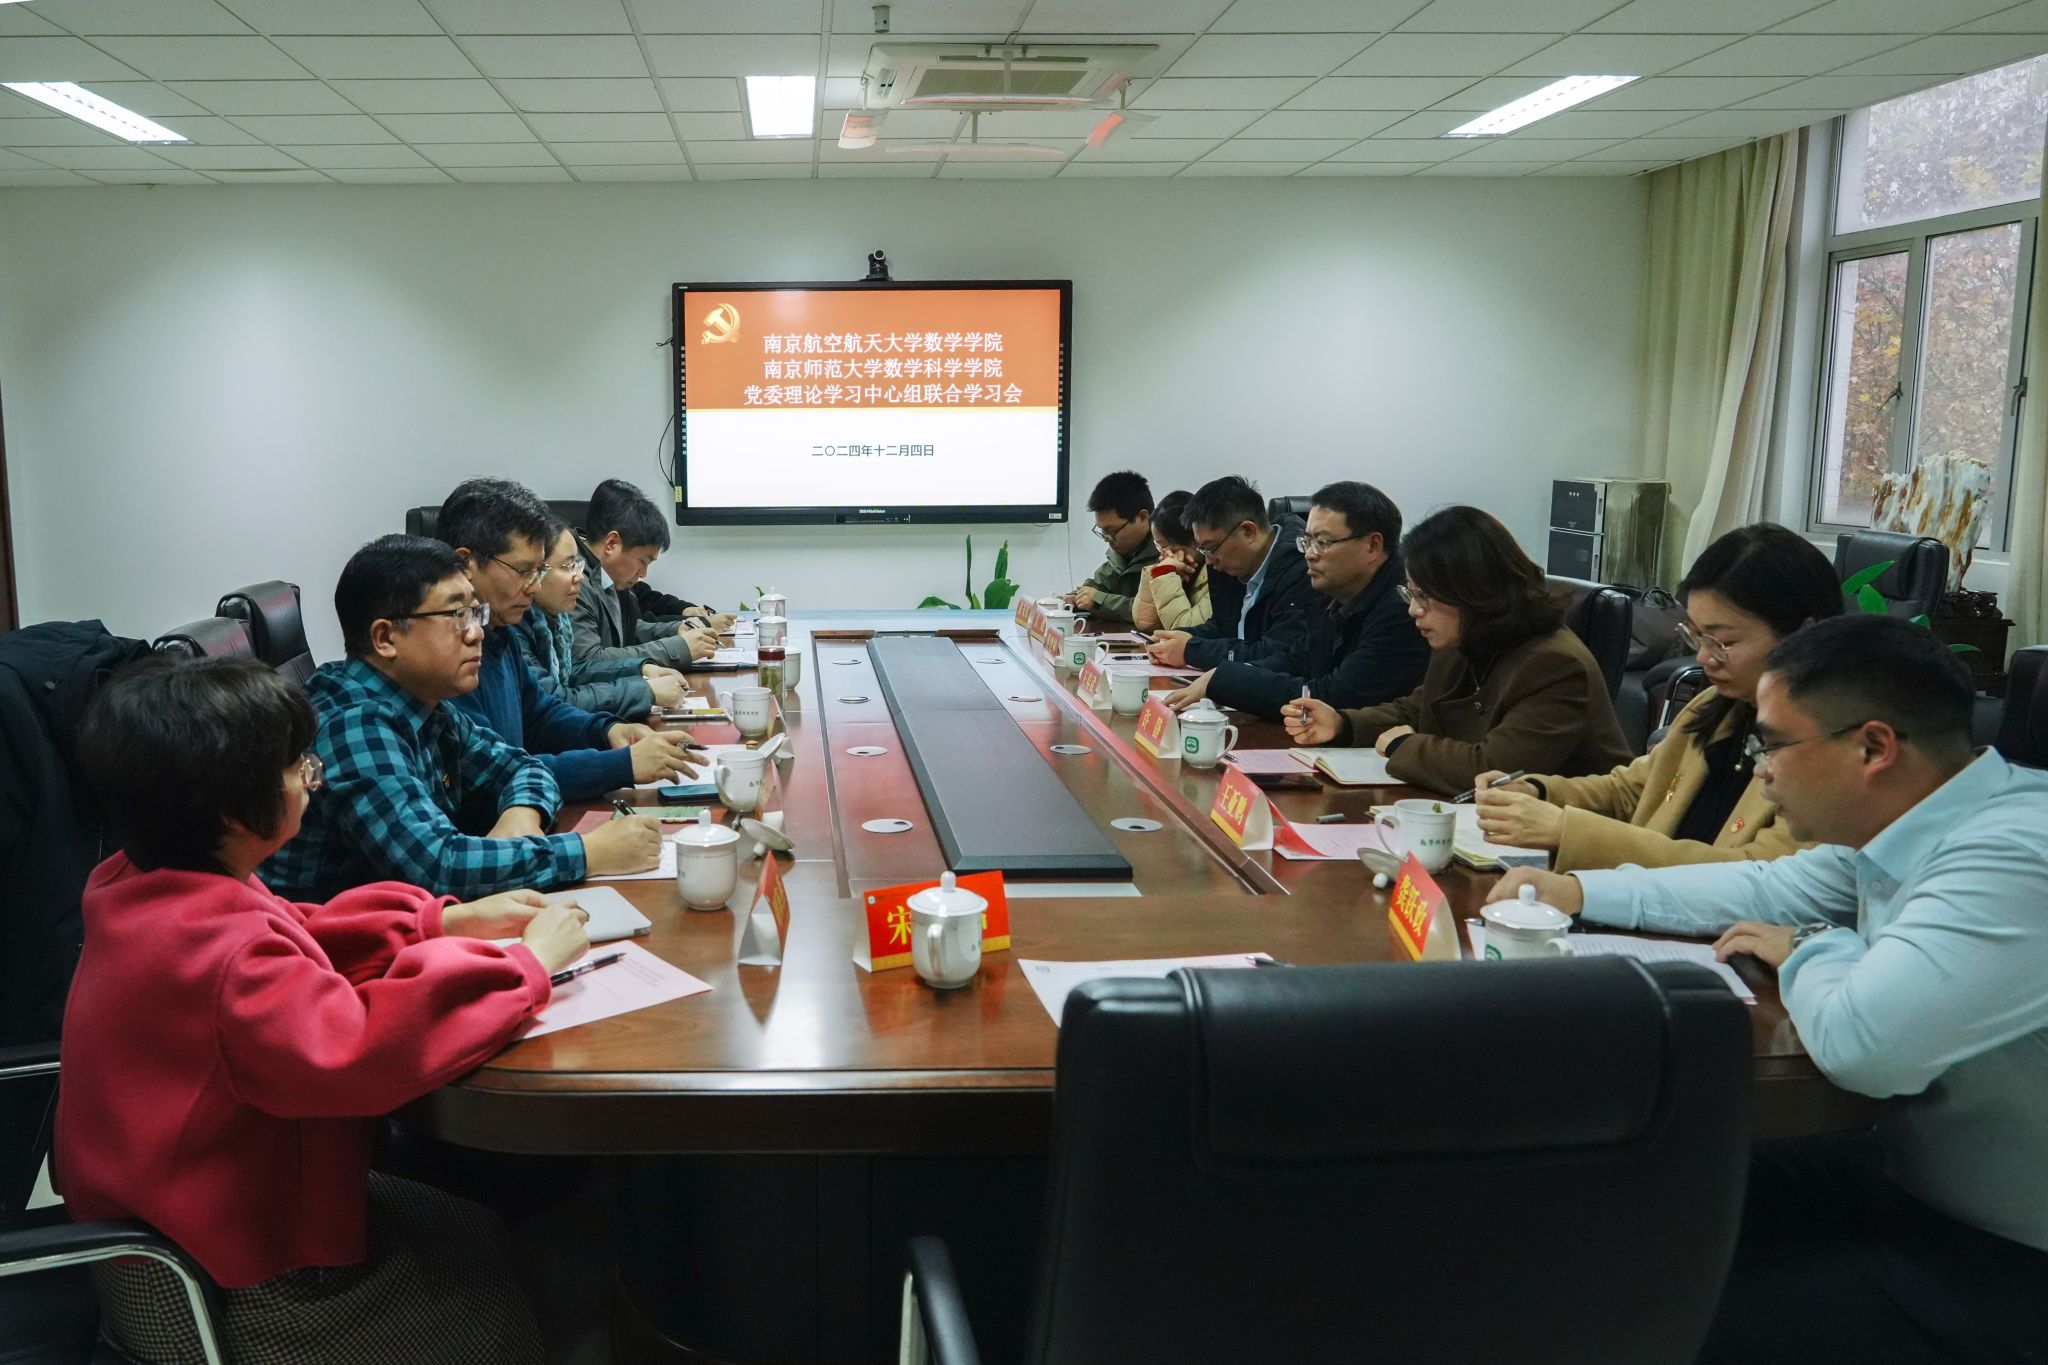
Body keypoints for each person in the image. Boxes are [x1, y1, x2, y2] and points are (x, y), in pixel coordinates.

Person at [1486, 615, 2048, 1364]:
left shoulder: (2015, 853)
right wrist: (1578, 890)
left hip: (2009, 1257)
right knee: (1620, 1192)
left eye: (1774, 744)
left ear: (1873, 747)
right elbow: (1766, 886)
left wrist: (1814, 945)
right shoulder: (1913, 818)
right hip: (1913, 1184)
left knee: (1657, 1322)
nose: (1761, 771)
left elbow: (1864, 1046)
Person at [59, 654, 592, 1365]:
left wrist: (440, 922)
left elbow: (292, 931)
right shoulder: (231, 958)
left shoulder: (144, 878)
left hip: (196, 1211)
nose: (313, 775)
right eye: (296, 766)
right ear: (232, 811)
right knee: (500, 1323)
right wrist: (526, 966)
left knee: (477, 1230)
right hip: (217, 1283)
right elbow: (363, 1049)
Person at [260, 535, 661, 902]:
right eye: (457, 615)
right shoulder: (354, 723)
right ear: (385, 638)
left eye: (475, 612)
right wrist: (589, 851)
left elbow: (523, 767)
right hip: (332, 949)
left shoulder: (425, 703)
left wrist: (522, 815)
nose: (477, 632)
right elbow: (438, 867)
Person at [1473, 523, 1841, 871]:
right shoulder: (1717, 707)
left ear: (1802, 635)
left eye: (1724, 641)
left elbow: (1757, 876)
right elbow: (1630, 791)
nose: (1704, 657)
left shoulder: (1834, 749)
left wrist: (1567, 830)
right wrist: (1537, 791)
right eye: (1697, 636)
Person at [1282, 505, 1629, 795]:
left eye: (1424, 596)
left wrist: (1403, 746)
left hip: (1562, 840)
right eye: (1410, 594)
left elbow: (1494, 770)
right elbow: (1415, 711)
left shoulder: (1554, 664)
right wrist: (1342, 724)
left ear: (1472, 591)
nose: (1413, 610)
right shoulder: (1464, 638)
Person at [435, 479, 702, 802]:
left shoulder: (498, 630)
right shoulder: (444, 654)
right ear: (467, 564)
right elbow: (496, 775)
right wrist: (621, 764)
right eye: (524, 570)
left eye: (539, 570)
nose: (535, 587)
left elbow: (540, 715)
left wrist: (607, 730)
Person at [1167, 480, 1427, 720]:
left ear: (1372, 546)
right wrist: (1226, 673)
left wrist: (1226, 680)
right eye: (1307, 541)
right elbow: (1297, 659)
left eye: (1323, 542)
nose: (1309, 555)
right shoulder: (1336, 597)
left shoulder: (1402, 609)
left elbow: (1333, 696)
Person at [515, 518, 691, 723]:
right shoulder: (515, 627)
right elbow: (555, 702)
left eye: (577, 565)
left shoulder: (555, 619)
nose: (579, 577)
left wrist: (641, 668)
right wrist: (645, 691)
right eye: (567, 566)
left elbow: (574, 671)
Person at [1146, 476, 1319, 672]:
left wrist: (1191, 650)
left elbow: (1277, 653)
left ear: (1248, 531)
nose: (1209, 560)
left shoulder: (1302, 570)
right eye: (1203, 550)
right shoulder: (1233, 566)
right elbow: (1224, 628)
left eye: (1211, 548)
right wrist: (1183, 638)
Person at [572, 478, 720, 671]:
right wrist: (678, 648)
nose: (643, 573)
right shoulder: (574, 582)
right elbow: (588, 660)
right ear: (611, 544)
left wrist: (677, 629)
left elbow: (626, 632)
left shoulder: (611, 577)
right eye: (642, 561)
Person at [1066, 470, 1161, 624]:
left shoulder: (1168, 552)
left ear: (1143, 517)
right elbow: (1099, 586)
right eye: (1102, 531)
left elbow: (1151, 611)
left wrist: (1098, 600)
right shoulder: (1121, 553)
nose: (1107, 539)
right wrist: (1074, 598)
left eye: (1112, 531)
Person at [1131, 489, 1213, 633]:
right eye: (1158, 546)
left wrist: (1164, 574)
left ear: (1194, 540)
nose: (1162, 554)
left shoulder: (1218, 572)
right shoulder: (1173, 568)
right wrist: (1159, 573)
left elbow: (1186, 631)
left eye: (1164, 546)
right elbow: (1144, 623)